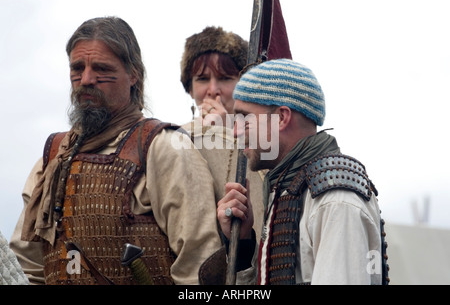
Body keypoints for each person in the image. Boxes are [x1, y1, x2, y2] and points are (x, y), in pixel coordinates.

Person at [9, 16, 222, 285]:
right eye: (77, 68)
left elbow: (199, 264)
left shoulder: (163, 148)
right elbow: (27, 268)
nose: (86, 79)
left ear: (133, 74)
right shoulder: (53, 160)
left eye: (101, 68)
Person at [217, 58, 389, 285]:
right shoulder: (288, 189)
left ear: (281, 117)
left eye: (245, 119)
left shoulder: (335, 201)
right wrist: (242, 242)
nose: (236, 132)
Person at [179, 26, 266, 241]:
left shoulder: (264, 143)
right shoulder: (174, 138)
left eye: (225, 78)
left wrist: (226, 133)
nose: (213, 89)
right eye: (202, 79)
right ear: (189, 88)